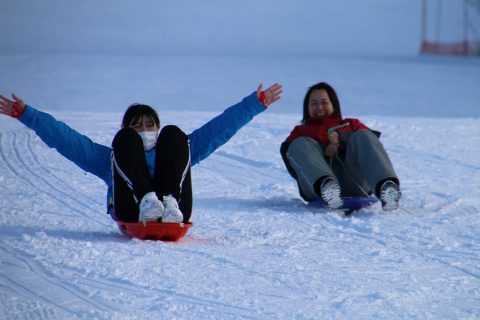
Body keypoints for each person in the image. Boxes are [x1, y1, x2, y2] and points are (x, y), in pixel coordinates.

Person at [0, 83, 282, 223]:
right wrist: (28, 115)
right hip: (131, 211)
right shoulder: (109, 158)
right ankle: (146, 200)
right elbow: (68, 140)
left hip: (176, 213)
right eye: (137, 126)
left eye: (149, 124)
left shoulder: (173, 147)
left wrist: (253, 105)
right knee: (122, 142)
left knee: (177, 135)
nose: (144, 129)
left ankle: (169, 200)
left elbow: (218, 129)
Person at [280, 82, 401, 211]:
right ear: (307, 108)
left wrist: (341, 139)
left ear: (333, 104)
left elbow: (371, 144)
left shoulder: (351, 124)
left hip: (354, 181)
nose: (319, 107)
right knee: (299, 143)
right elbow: (290, 157)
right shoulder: (300, 131)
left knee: (363, 135)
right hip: (316, 188)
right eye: (314, 103)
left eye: (324, 102)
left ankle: (386, 188)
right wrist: (321, 152)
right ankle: (327, 187)